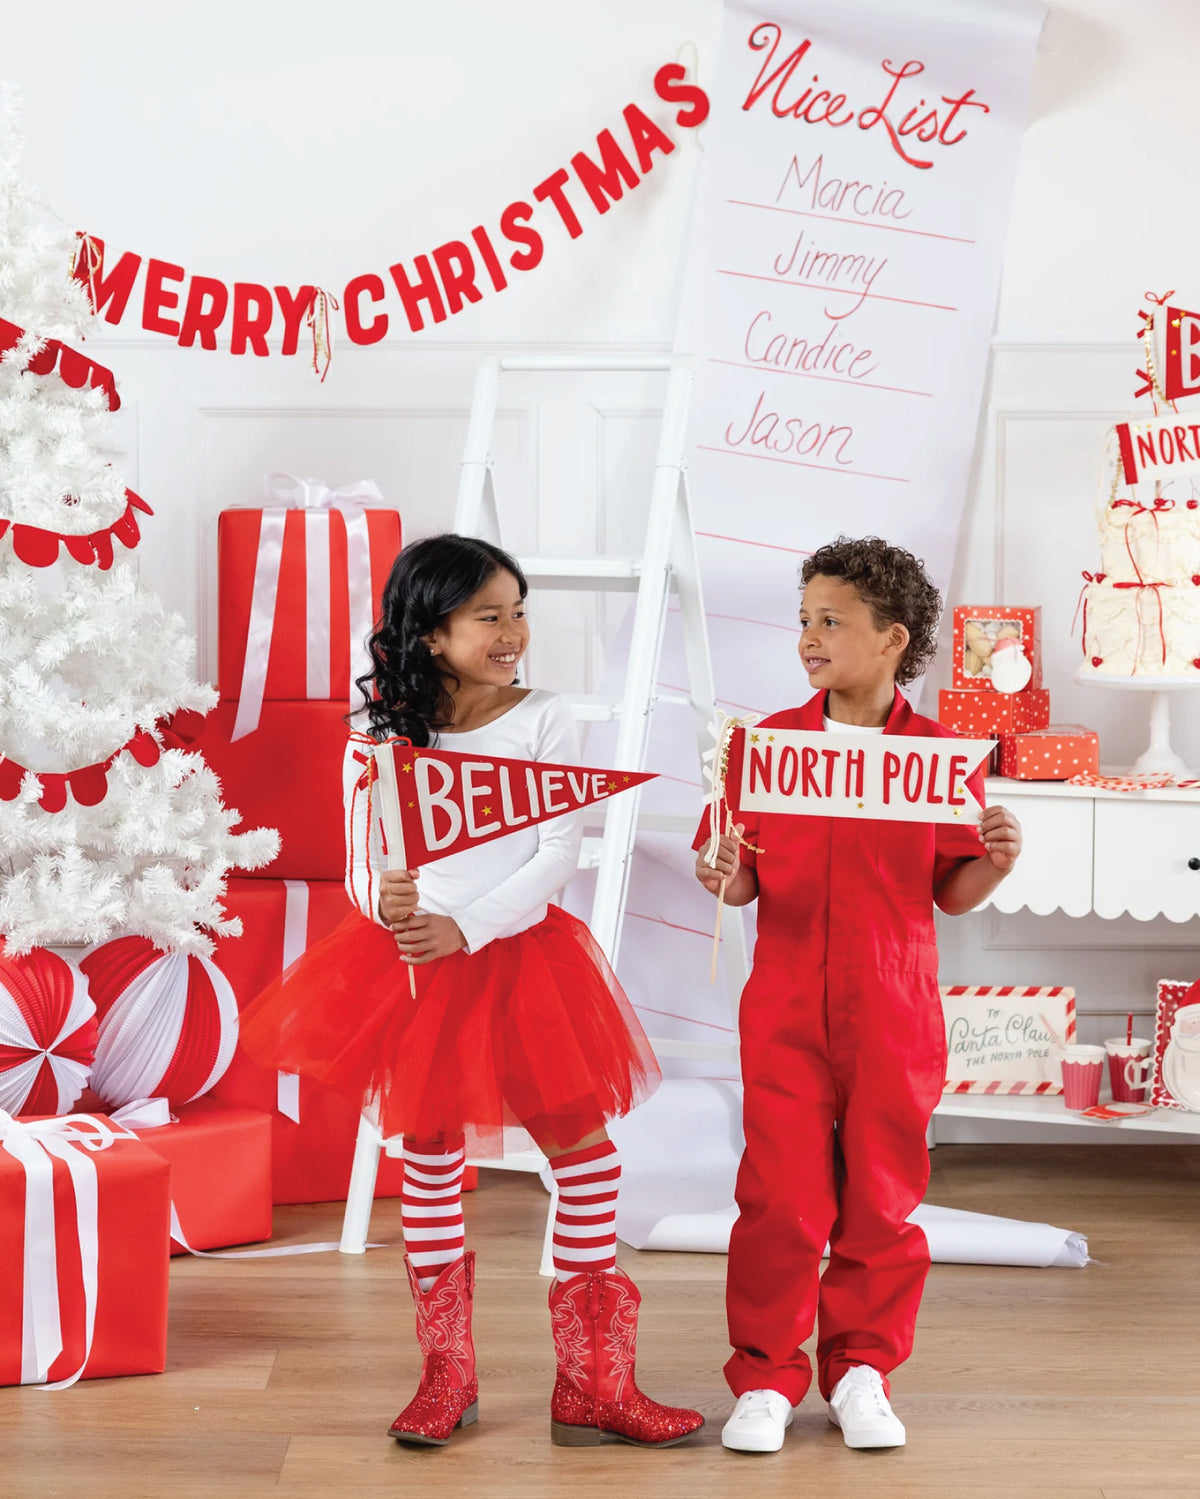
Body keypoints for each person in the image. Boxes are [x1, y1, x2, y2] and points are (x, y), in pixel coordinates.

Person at [241, 533, 702, 1451]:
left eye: (519, 611)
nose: (513, 631)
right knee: (431, 1160)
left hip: (523, 957)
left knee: (587, 1156)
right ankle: (446, 1373)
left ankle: (596, 1380)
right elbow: (364, 866)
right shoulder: (375, 736)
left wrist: (466, 925)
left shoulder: (546, 719)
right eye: (489, 615)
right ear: (427, 632)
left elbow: (555, 852)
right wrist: (391, 908)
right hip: (409, 968)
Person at [693, 536, 1022, 1455]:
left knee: (883, 1195)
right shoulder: (767, 747)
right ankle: (764, 1373)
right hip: (788, 998)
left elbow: (949, 890)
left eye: (831, 621)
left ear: (891, 639)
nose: (809, 637)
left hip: (894, 1000)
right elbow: (741, 882)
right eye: (804, 620)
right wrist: (720, 867)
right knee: (782, 1194)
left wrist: (994, 863)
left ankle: (861, 1367)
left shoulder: (939, 760)